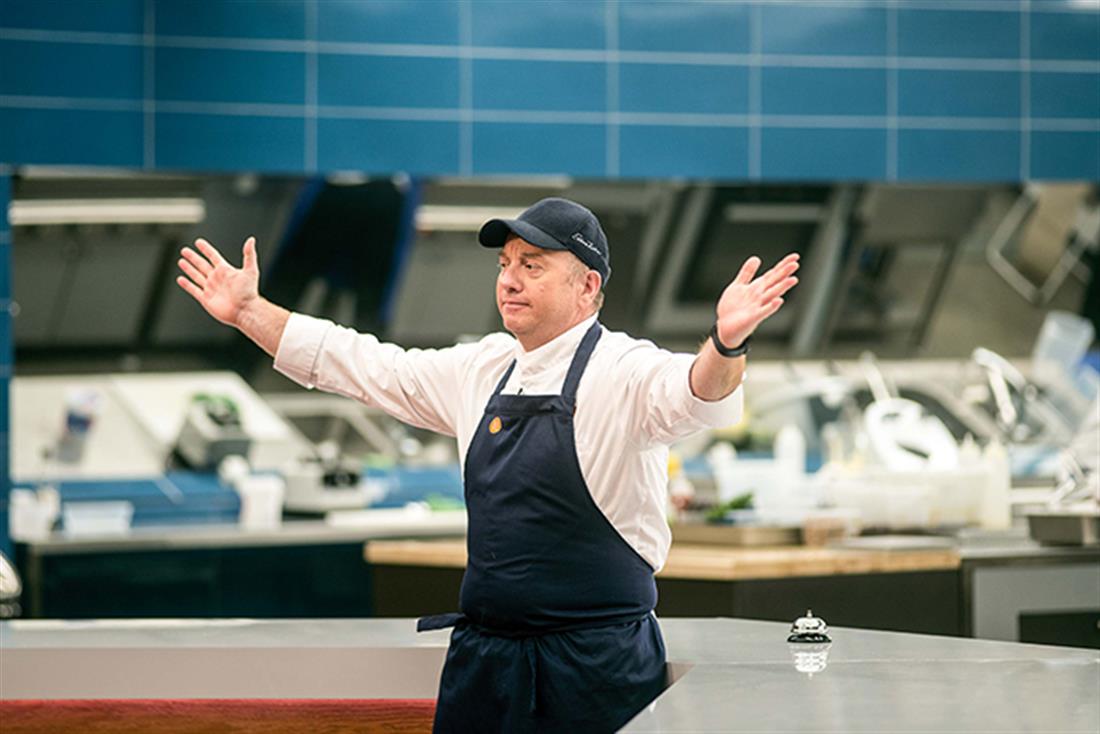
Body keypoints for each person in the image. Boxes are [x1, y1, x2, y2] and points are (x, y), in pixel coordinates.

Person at [177, 197, 799, 733]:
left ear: (587, 286)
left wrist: (727, 343)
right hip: (486, 664)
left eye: (533, 265)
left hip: (595, 667)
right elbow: (362, 364)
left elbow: (697, 393)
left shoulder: (625, 370)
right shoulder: (481, 367)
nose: (509, 280)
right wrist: (247, 312)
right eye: (505, 265)